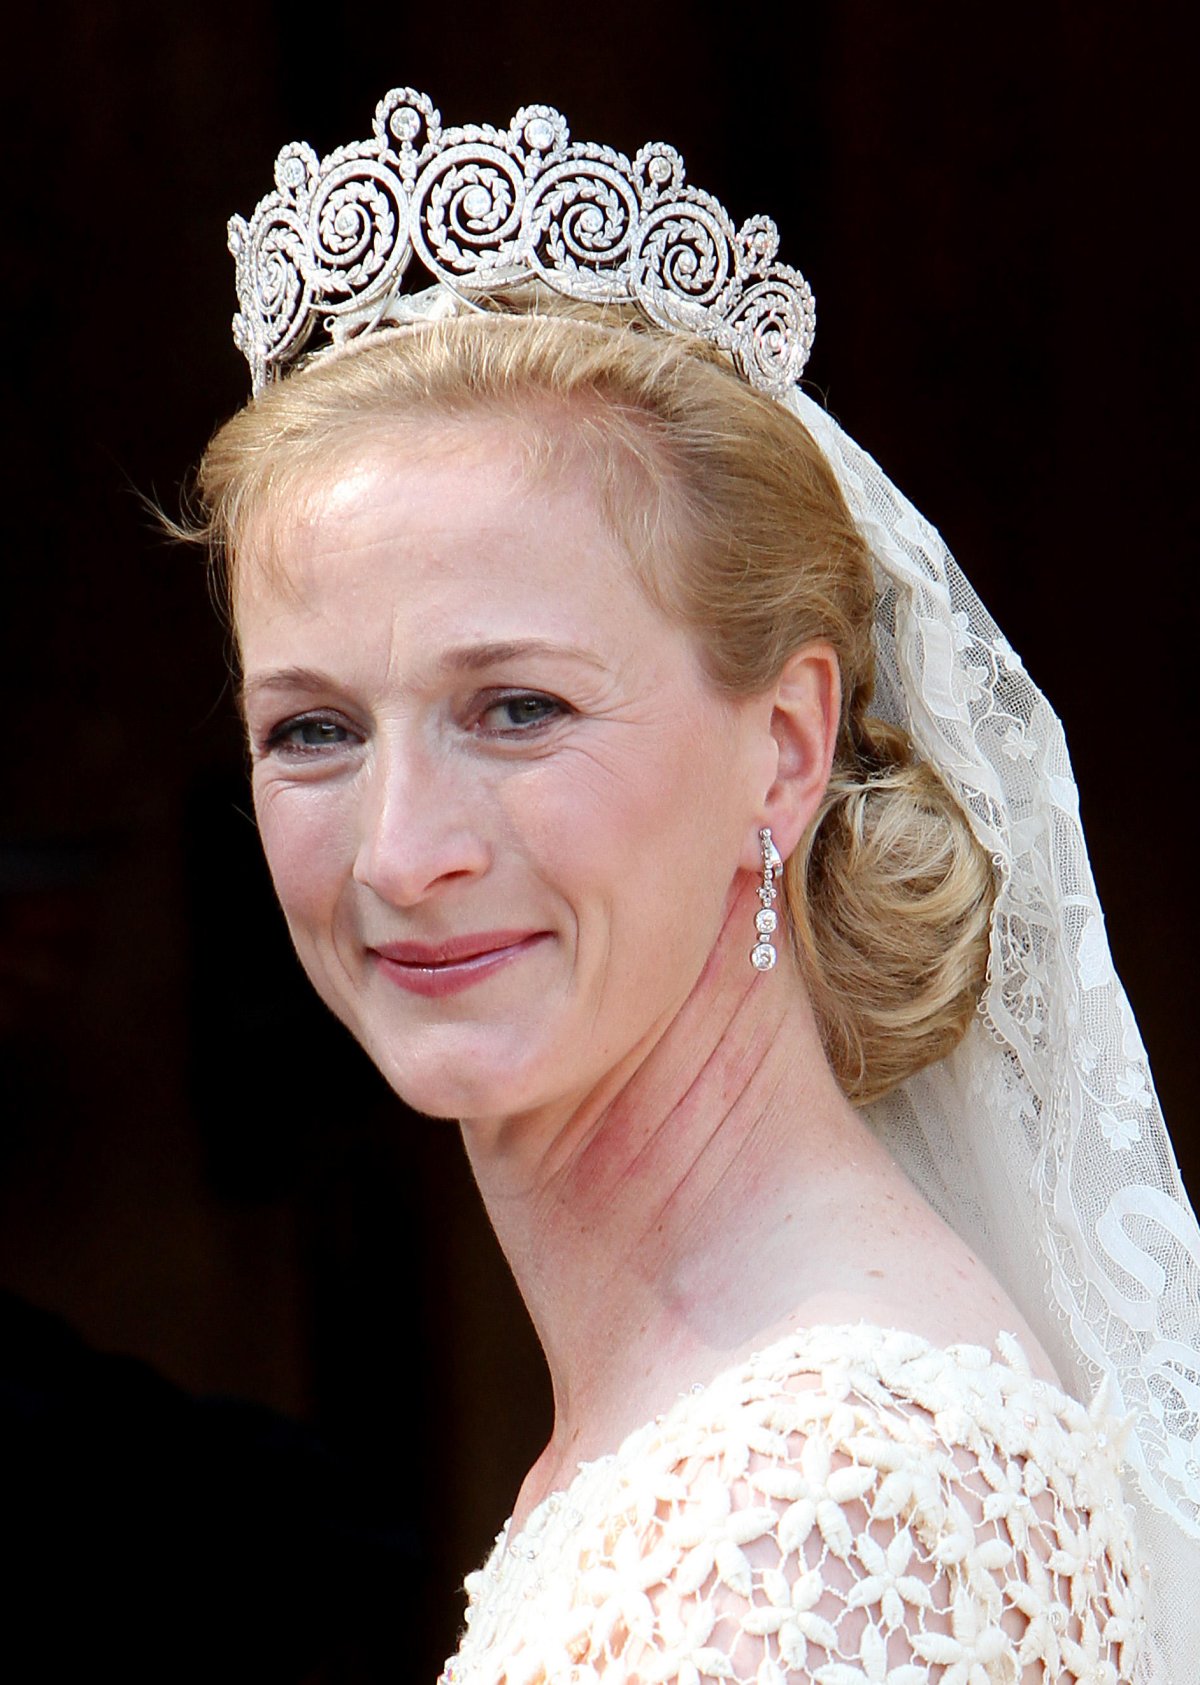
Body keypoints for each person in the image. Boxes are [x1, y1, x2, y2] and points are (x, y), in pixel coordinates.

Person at [188, 89, 1200, 1683]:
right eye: (312, 729)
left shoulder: (830, 1520)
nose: (398, 853)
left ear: (786, 746)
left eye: (517, 709)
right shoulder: (688, 1428)